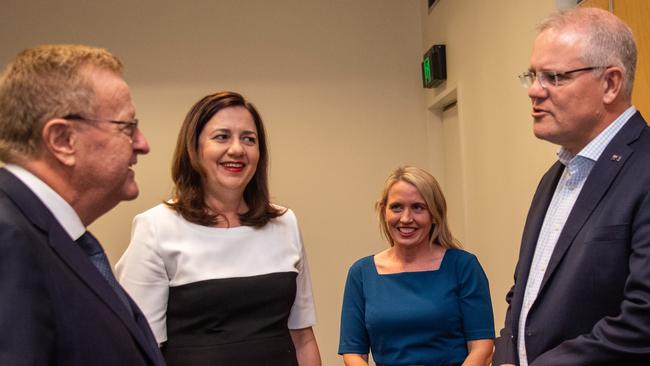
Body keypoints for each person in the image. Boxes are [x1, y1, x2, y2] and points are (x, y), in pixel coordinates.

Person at [116, 91, 321, 366]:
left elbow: (302, 337)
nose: (237, 149)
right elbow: (141, 350)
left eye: (249, 139)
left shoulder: (284, 222)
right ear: (194, 148)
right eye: (222, 136)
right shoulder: (156, 226)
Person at [493, 7, 650, 366]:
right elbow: (524, 294)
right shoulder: (556, 175)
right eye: (533, 75)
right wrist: (505, 356)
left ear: (610, 83)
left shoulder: (644, 167)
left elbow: (643, 320)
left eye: (554, 77)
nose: (534, 91)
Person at [0, 44, 164, 365]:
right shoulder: (8, 240)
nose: (143, 144)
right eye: (127, 126)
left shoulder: (59, 237)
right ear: (62, 140)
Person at [339, 166, 494, 366]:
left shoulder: (463, 266)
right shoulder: (361, 274)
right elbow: (353, 354)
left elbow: (482, 348)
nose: (405, 218)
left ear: (435, 214)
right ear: (383, 211)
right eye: (396, 207)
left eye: (418, 207)